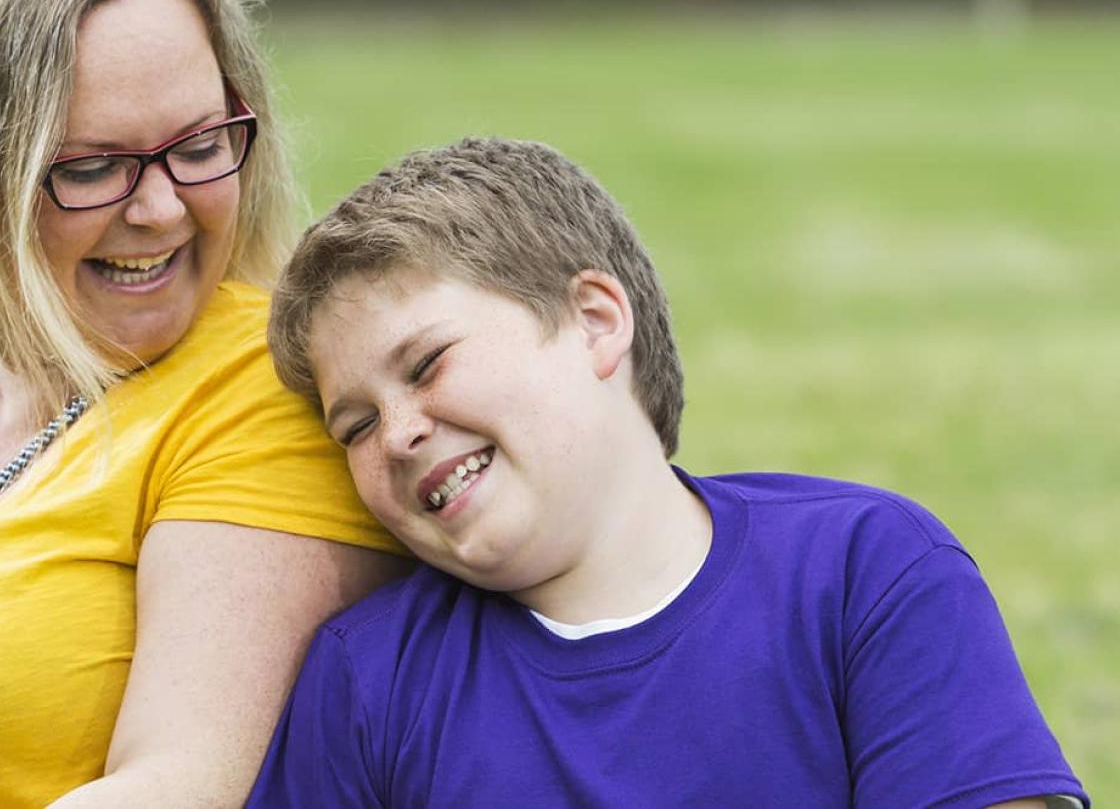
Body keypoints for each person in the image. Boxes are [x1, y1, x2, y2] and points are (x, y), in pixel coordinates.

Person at [251, 137, 1088, 807]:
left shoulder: (864, 574)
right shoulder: (371, 678)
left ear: (593, 321)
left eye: (427, 362)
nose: (396, 434)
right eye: (354, 425)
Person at [0, 0, 412, 804]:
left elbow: (180, 783)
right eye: (90, 166)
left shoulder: (262, 386)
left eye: (197, 146)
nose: (161, 210)